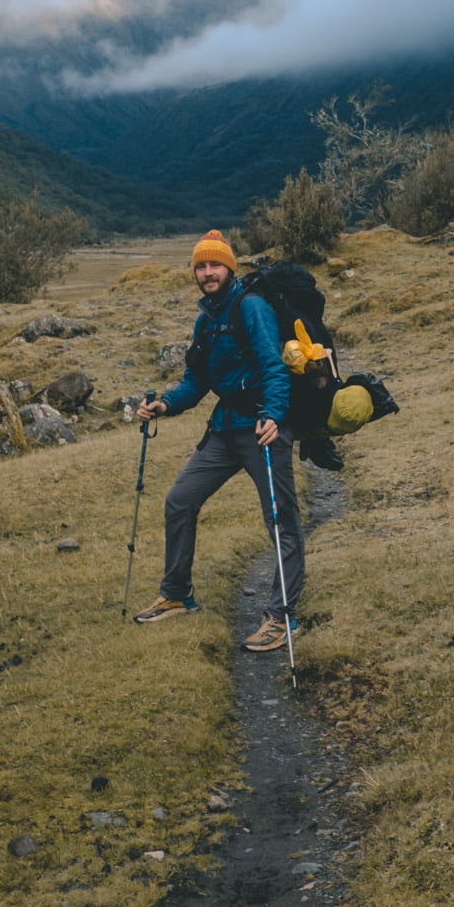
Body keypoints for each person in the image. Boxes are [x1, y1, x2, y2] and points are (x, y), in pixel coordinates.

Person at [133, 230, 304, 652]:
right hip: (225, 430)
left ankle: (282, 618)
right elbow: (197, 380)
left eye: (215, 265)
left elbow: (273, 366)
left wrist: (275, 416)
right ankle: (176, 593)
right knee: (180, 499)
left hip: (263, 429)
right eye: (201, 266)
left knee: (280, 519)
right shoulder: (206, 318)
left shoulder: (252, 308)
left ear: (230, 267)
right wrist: (166, 406)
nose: (208, 273)